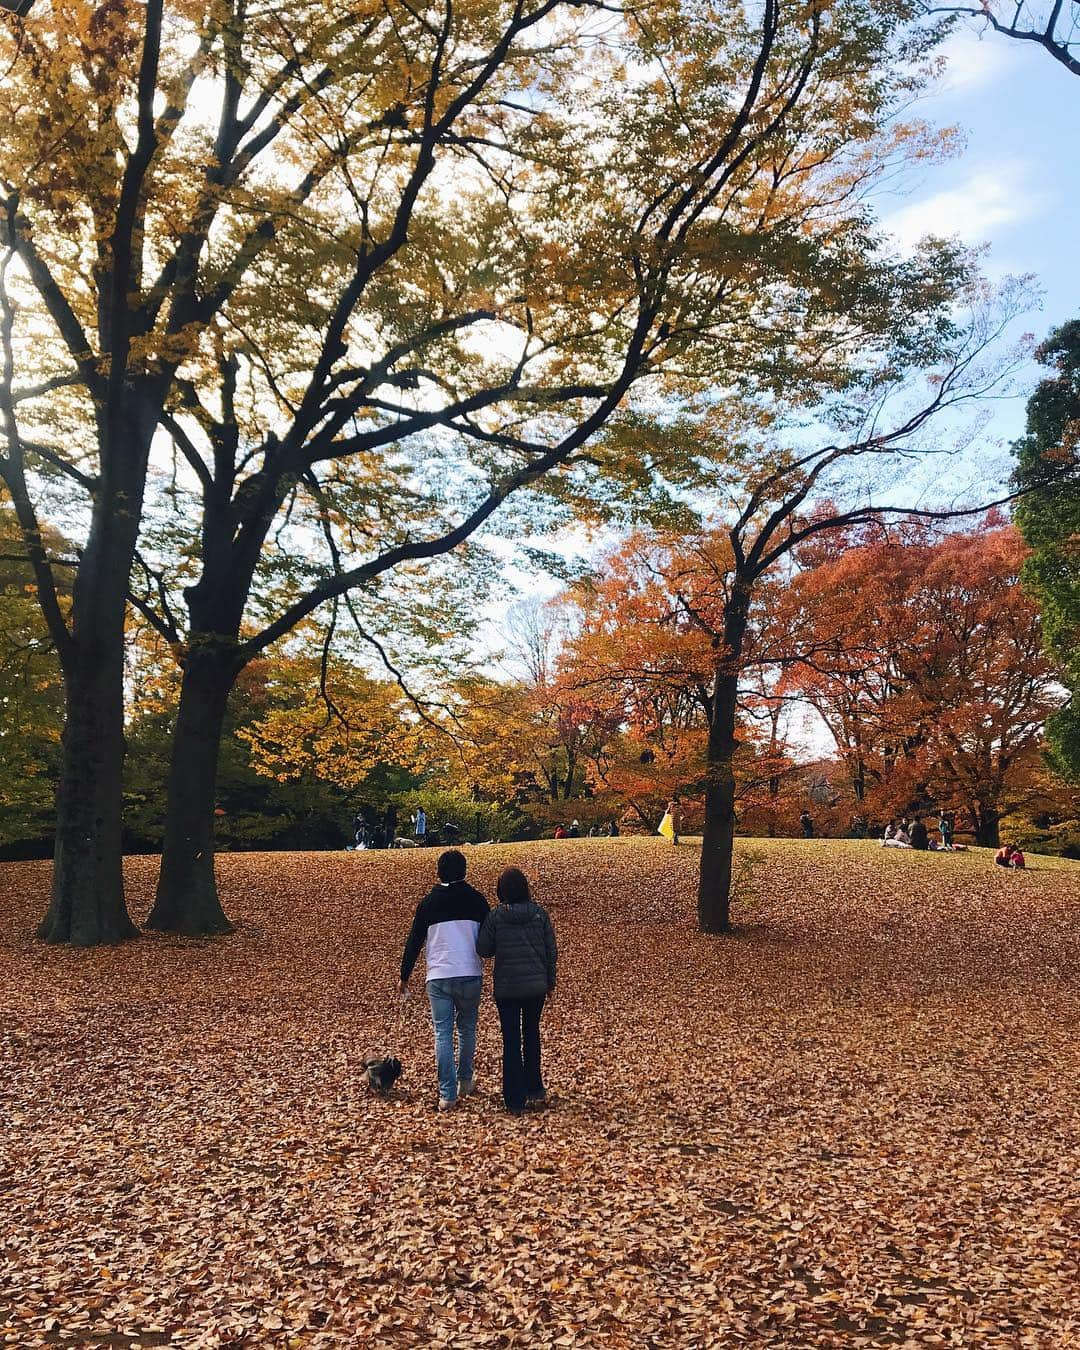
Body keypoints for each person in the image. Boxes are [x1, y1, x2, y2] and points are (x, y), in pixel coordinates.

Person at [400, 849, 490, 1111]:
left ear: (439, 872)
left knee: (442, 1033)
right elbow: (488, 938)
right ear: (465, 870)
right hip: (470, 972)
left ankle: (447, 1094)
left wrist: (404, 975)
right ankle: (465, 1080)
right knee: (467, 1029)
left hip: (439, 975)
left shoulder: (428, 903)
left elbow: (414, 940)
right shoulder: (477, 900)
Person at [476, 867, 557, 1116]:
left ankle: (514, 1097)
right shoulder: (539, 915)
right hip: (535, 986)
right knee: (531, 1033)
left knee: (511, 1039)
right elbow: (550, 951)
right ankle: (534, 1086)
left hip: (508, 987)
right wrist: (550, 981)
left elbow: (484, 949)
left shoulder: (496, 917)